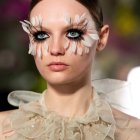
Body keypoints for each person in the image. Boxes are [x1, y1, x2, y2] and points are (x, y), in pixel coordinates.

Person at [0, 0, 140, 139]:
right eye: (41, 35)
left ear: (101, 38)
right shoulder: (3, 128)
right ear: (31, 40)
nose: (55, 49)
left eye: (73, 33)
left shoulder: (132, 133)